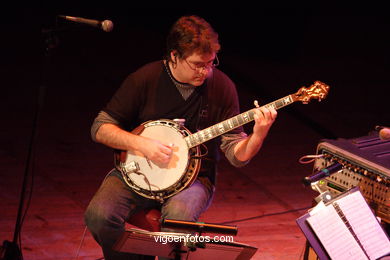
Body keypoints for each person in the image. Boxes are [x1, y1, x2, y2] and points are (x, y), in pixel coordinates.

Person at [84, 15, 277, 260]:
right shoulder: (146, 78)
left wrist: (258, 135)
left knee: (178, 227)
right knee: (99, 215)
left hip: (194, 179)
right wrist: (141, 143)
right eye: (198, 64)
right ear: (174, 56)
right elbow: (100, 128)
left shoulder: (222, 86)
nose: (205, 71)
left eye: (210, 63)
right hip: (139, 171)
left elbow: (236, 156)